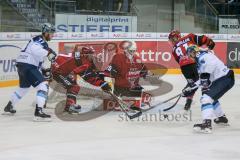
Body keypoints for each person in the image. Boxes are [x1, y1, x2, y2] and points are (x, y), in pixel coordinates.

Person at [3, 23, 56, 121]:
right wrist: (48, 52)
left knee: (23, 88)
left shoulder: (37, 40)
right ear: (45, 33)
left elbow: (36, 57)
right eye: (51, 33)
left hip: (22, 65)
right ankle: (38, 113)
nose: (53, 35)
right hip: (28, 66)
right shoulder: (40, 40)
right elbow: (35, 50)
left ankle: (9, 106)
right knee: (43, 85)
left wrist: (43, 68)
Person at [182, 45, 235, 133]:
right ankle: (221, 117)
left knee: (206, 99)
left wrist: (205, 75)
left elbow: (211, 65)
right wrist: (189, 89)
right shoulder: (200, 60)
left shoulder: (204, 56)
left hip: (225, 78)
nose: (191, 56)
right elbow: (203, 80)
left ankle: (207, 125)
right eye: (190, 54)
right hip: (223, 79)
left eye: (191, 53)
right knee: (208, 96)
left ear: (196, 52)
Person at [51, 46, 112, 114]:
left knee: (74, 86)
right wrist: (103, 84)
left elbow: (89, 76)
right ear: (86, 55)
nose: (93, 55)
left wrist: (102, 84)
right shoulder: (85, 63)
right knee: (73, 86)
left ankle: (69, 106)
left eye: (93, 54)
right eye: (91, 54)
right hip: (59, 73)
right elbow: (89, 78)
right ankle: (69, 106)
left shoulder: (85, 61)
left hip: (63, 73)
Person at [168, 30, 215, 111]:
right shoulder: (189, 37)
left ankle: (188, 102)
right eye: (172, 39)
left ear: (177, 37)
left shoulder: (173, 50)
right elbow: (203, 39)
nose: (172, 41)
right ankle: (208, 101)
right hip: (194, 63)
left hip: (185, 69)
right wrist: (210, 43)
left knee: (192, 84)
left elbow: (179, 61)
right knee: (202, 82)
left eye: (173, 38)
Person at [104, 40, 149, 110]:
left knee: (144, 94)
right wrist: (108, 84)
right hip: (120, 88)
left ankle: (134, 103)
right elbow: (108, 72)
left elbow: (144, 70)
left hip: (132, 87)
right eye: (131, 51)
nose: (132, 53)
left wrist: (145, 73)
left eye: (134, 51)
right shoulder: (118, 57)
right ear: (125, 50)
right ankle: (121, 100)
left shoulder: (137, 59)